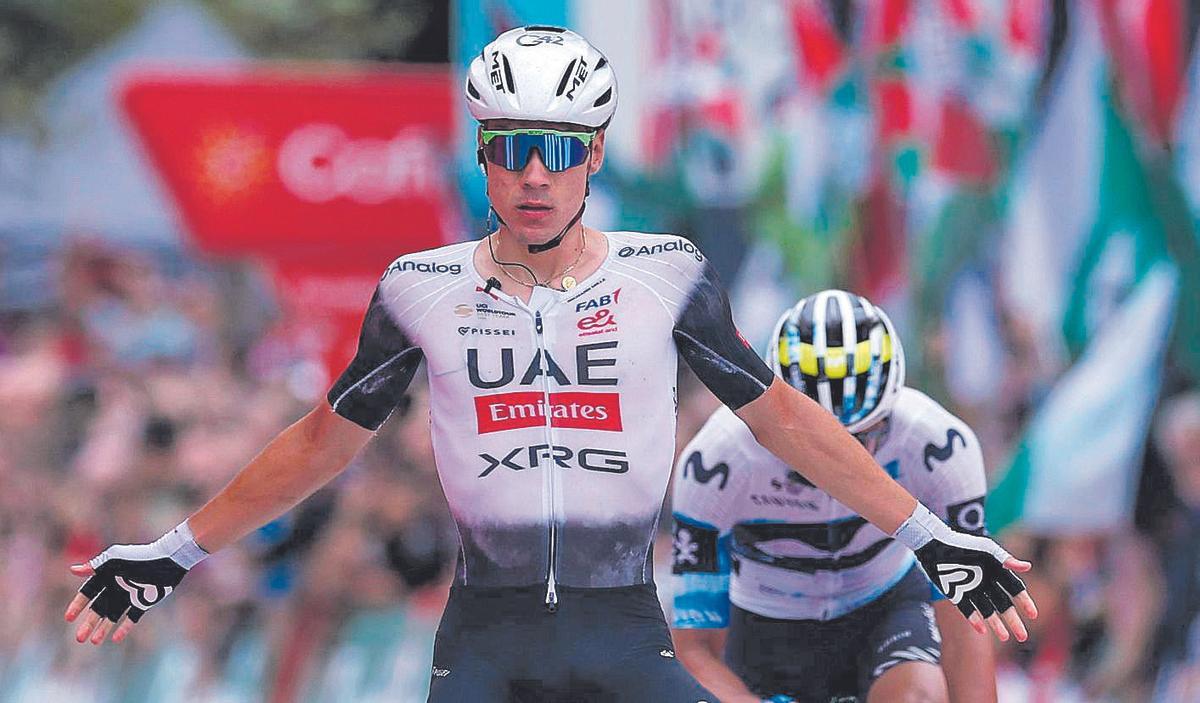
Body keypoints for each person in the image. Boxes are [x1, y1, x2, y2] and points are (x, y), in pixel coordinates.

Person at [64, 26, 1036, 702]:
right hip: (488, 632)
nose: (536, 174)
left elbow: (785, 417)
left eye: (560, 151)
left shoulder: (668, 275)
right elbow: (322, 443)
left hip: (624, 623)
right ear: (484, 156)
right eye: (514, 148)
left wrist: (926, 538)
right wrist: (170, 551)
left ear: (595, 155)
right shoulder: (416, 284)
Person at [670, 290, 1006, 703]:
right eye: (808, 444)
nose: (837, 460)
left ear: (891, 407)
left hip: (884, 611)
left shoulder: (939, 446)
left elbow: (964, 628)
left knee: (920, 694)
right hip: (764, 626)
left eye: (863, 436)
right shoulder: (716, 462)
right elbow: (694, 649)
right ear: (776, 417)